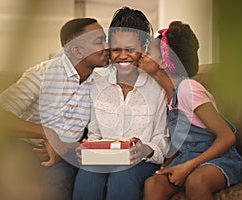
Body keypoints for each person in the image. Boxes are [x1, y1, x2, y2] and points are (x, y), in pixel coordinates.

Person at [0, 18, 109, 200]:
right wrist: (47, 134)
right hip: (27, 148)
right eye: (99, 41)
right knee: (57, 178)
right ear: (77, 50)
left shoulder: (99, 84)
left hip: (69, 150)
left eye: (106, 40)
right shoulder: (43, 74)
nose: (107, 46)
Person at [139, 21, 242, 200]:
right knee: (153, 184)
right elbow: (180, 141)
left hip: (218, 159)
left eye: (148, 52)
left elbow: (227, 137)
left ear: (164, 62)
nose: (141, 56)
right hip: (187, 157)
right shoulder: (164, 95)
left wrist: (188, 167)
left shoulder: (188, 90)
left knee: (196, 181)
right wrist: (168, 165)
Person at [72, 7, 169, 200]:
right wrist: (88, 148)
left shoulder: (156, 88)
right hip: (104, 158)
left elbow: (162, 137)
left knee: (122, 176)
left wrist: (145, 150)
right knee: (88, 173)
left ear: (142, 49)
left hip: (141, 161)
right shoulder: (97, 84)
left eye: (131, 50)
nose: (122, 56)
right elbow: (95, 133)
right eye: (116, 49)